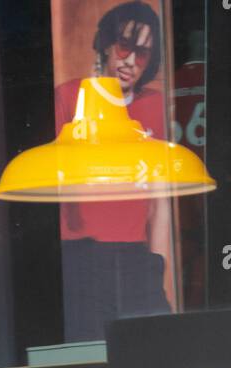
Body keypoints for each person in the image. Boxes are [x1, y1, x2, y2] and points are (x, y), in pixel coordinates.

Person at [55, 1, 173, 341]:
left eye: (144, 53)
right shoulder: (70, 98)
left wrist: (157, 266)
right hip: (83, 254)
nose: (132, 61)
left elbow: (161, 200)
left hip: (137, 255)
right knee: (91, 349)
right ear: (107, 43)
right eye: (126, 46)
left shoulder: (154, 105)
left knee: (154, 347)